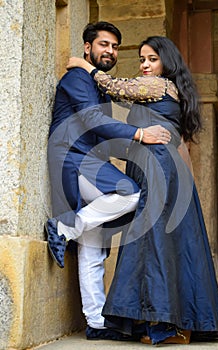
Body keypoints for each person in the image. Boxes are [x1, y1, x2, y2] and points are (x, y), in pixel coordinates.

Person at [66, 36, 218, 344]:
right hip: (160, 170)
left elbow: (115, 88)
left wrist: (84, 66)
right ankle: (174, 324)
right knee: (161, 241)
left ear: (166, 62)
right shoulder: (160, 92)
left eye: (152, 59)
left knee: (152, 240)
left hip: (157, 169)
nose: (144, 65)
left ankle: (164, 326)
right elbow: (127, 98)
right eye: (142, 59)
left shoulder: (160, 86)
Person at [45, 22, 171, 341]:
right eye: (103, 45)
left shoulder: (96, 82)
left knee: (95, 246)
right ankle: (63, 227)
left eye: (115, 47)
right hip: (74, 156)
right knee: (130, 194)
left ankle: (95, 321)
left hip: (90, 159)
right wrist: (140, 134)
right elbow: (92, 120)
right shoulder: (77, 77)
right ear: (87, 48)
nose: (110, 52)